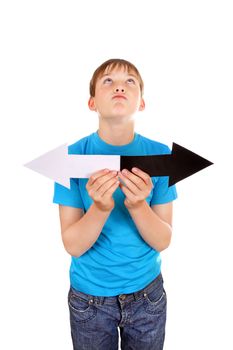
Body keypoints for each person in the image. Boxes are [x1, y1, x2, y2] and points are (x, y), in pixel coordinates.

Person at [53, 58, 177, 350]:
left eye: (130, 81)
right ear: (92, 102)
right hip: (89, 299)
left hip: (148, 295)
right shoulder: (70, 158)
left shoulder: (161, 156)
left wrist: (137, 206)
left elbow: (163, 240)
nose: (120, 85)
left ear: (142, 103)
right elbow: (72, 244)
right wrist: (100, 208)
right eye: (108, 80)